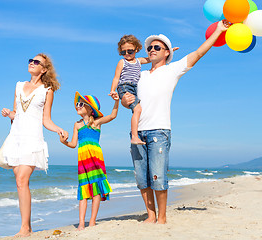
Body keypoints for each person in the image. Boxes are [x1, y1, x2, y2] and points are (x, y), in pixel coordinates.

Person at [121, 20, 230, 224]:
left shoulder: (172, 70)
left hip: (159, 131)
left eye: (156, 47)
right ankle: (150, 215)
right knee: (141, 178)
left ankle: (161, 217)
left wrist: (218, 31)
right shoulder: (140, 75)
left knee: (158, 177)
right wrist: (125, 99)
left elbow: (198, 54)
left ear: (167, 52)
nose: (151, 50)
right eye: (150, 47)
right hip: (138, 132)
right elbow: (129, 98)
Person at [1, 53, 67, 237]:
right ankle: (27, 227)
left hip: (33, 138)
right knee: (20, 183)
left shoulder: (47, 90)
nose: (32, 63)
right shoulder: (19, 86)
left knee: (22, 179)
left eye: (36, 62)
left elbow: (46, 120)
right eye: (31, 60)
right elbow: (17, 114)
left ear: (44, 69)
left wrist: (58, 129)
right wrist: (9, 114)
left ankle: (24, 229)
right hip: (16, 138)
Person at [59, 92, 118, 230]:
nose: (77, 106)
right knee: (84, 189)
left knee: (96, 189)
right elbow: (73, 144)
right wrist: (64, 142)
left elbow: (113, 115)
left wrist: (116, 101)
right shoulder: (77, 125)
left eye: (80, 104)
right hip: (83, 160)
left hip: (95, 158)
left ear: (90, 109)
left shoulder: (96, 122)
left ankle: (92, 221)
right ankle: (81, 223)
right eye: (76, 104)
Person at [109, 35, 150, 145]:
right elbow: (116, 77)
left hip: (135, 88)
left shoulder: (139, 61)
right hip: (125, 87)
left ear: (136, 49)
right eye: (123, 52)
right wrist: (113, 90)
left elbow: (152, 58)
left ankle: (138, 132)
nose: (127, 54)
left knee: (137, 110)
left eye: (130, 51)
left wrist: (169, 52)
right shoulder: (122, 62)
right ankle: (134, 136)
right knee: (137, 109)